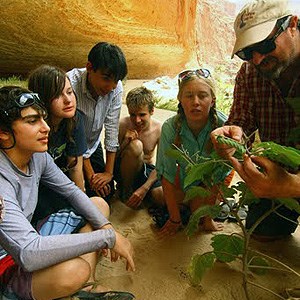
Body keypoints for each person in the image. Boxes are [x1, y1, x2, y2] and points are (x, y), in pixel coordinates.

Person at [0, 86, 135, 300]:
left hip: (29, 235)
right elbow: (28, 253)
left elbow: (71, 191)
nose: (45, 128)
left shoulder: (36, 156)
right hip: (7, 262)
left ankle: (83, 291)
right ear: (4, 135)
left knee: (98, 206)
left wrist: (106, 227)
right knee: (74, 271)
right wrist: (106, 237)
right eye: (32, 121)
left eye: (43, 119)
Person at [211, 0, 300, 239]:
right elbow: (241, 124)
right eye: (247, 52)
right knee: (261, 232)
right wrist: (230, 136)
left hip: (288, 182)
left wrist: (292, 184)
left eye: (266, 44)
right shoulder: (250, 74)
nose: (258, 59)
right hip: (276, 180)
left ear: (292, 25)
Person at [156, 69, 230, 237]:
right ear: (180, 100)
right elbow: (166, 174)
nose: (195, 102)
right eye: (188, 96)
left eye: (202, 96)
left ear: (213, 100)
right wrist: (174, 219)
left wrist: (208, 219)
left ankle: (199, 209)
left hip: (209, 186)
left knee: (197, 209)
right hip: (182, 182)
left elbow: (220, 174)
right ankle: (186, 205)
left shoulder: (223, 124)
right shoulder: (170, 127)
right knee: (158, 196)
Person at [67, 42, 128, 202]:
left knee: (105, 195)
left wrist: (108, 174)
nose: (111, 86)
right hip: (69, 148)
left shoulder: (115, 88)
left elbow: (111, 130)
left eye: (116, 80)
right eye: (106, 78)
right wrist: (92, 176)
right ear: (89, 67)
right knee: (77, 197)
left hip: (92, 146)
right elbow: (71, 133)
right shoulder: (69, 85)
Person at [28, 65, 88, 223]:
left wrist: (83, 205)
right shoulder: (31, 128)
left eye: (69, 92)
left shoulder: (75, 120)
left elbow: (75, 167)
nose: (68, 100)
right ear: (42, 99)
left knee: (97, 206)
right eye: (57, 95)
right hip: (35, 190)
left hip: (60, 184)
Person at [115, 86, 164, 209]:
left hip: (147, 172)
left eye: (142, 115)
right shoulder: (122, 124)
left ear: (152, 111)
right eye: (132, 115)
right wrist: (125, 142)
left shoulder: (159, 128)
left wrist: (145, 187)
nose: (137, 120)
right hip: (124, 172)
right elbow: (112, 158)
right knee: (136, 145)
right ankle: (126, 191)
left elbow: (162, 164)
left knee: (161, 196)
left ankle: (143, 193)